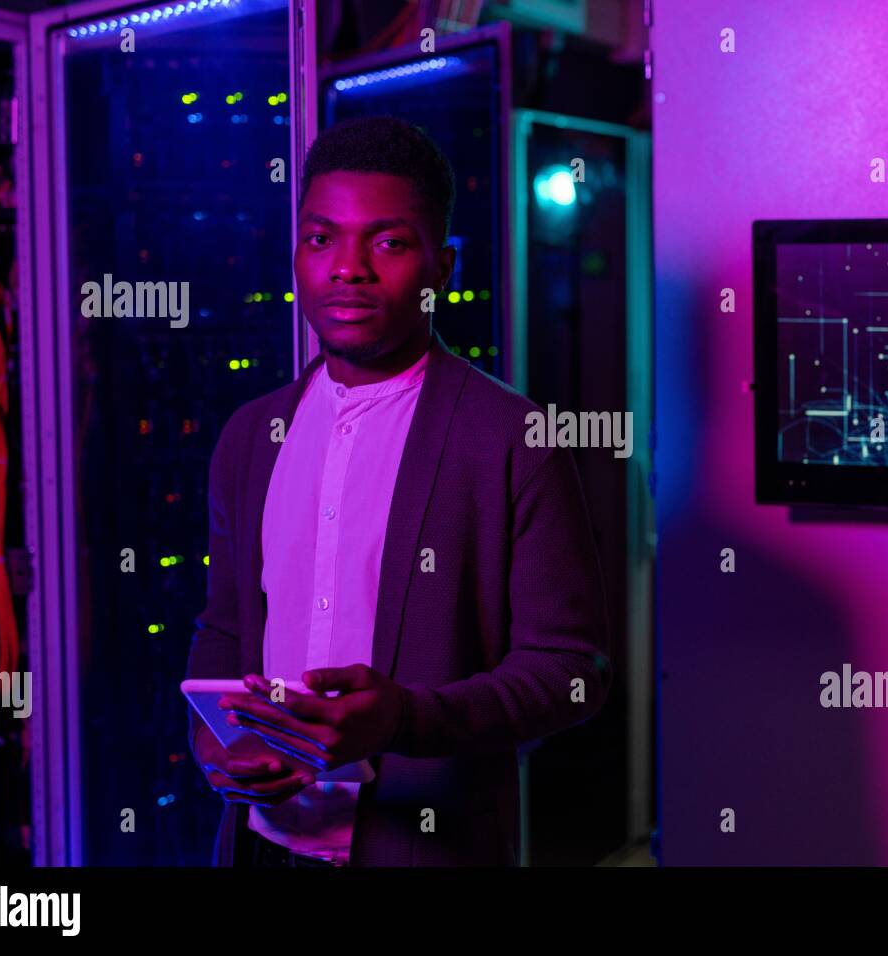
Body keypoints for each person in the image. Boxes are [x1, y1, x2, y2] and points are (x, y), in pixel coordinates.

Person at [185, 116, 612, 867]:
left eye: (387, 242)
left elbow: (573, 675)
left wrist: (405, 719)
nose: (347, 268)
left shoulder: (514, 437)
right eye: (322, 239)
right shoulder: (252, 437)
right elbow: (225, 627)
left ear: (441, 266)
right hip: (264, 848)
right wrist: (215, 740)